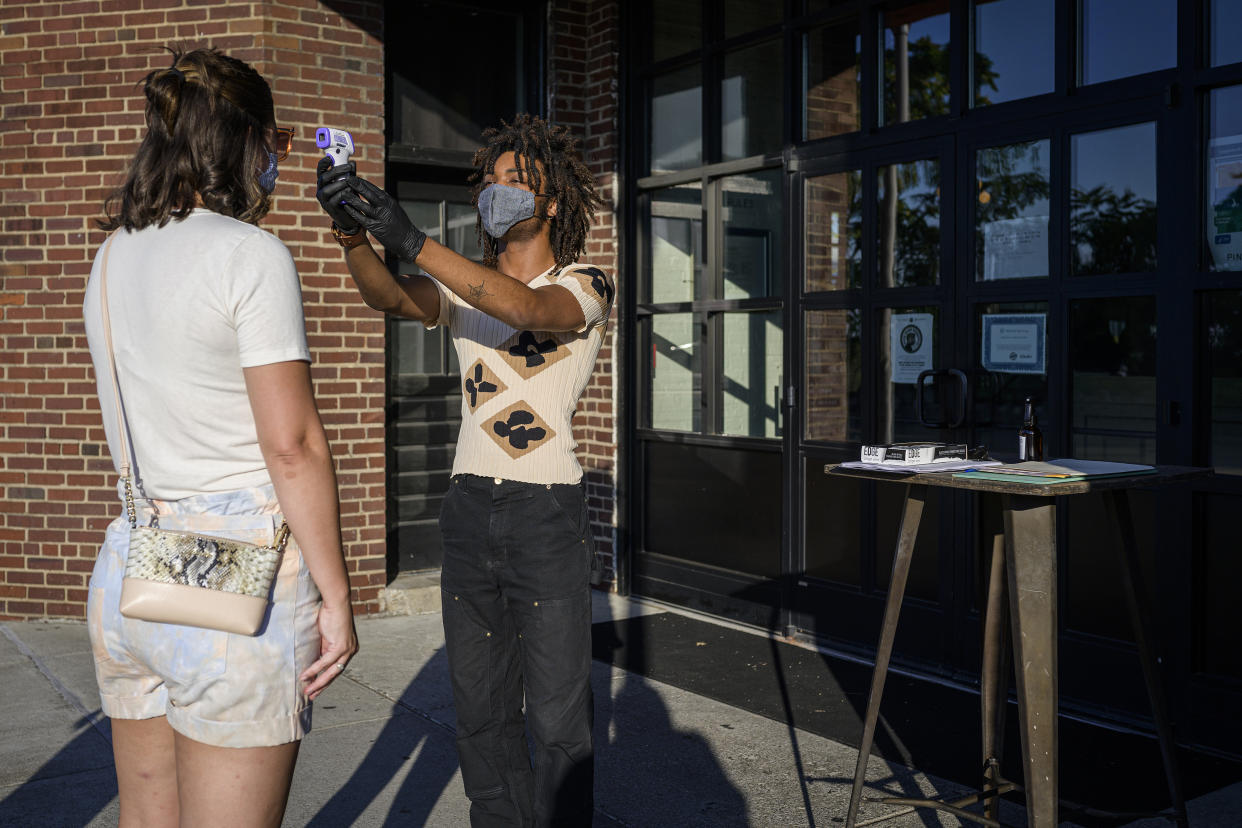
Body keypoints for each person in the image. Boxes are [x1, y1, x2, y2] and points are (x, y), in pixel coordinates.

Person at [82, 47, 357, 827]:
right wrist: (337, 596)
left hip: (130, 573)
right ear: (245, 141)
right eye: (277, 140)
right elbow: (291, 444)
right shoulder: (250, 255)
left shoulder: (111, 256)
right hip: (240, 583)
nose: (277, 157)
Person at [316, 113, 614, 826]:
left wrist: (414, 241)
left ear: (550, 201)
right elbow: (388, 297)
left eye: (518, 181)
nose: (497, 190)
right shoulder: (458, 288)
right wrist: (353, 234)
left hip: (547, 515)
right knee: (479, 713)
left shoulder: (584, 282)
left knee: (558, 718)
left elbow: (522, 307)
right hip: (469, 509)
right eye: (492, 179)